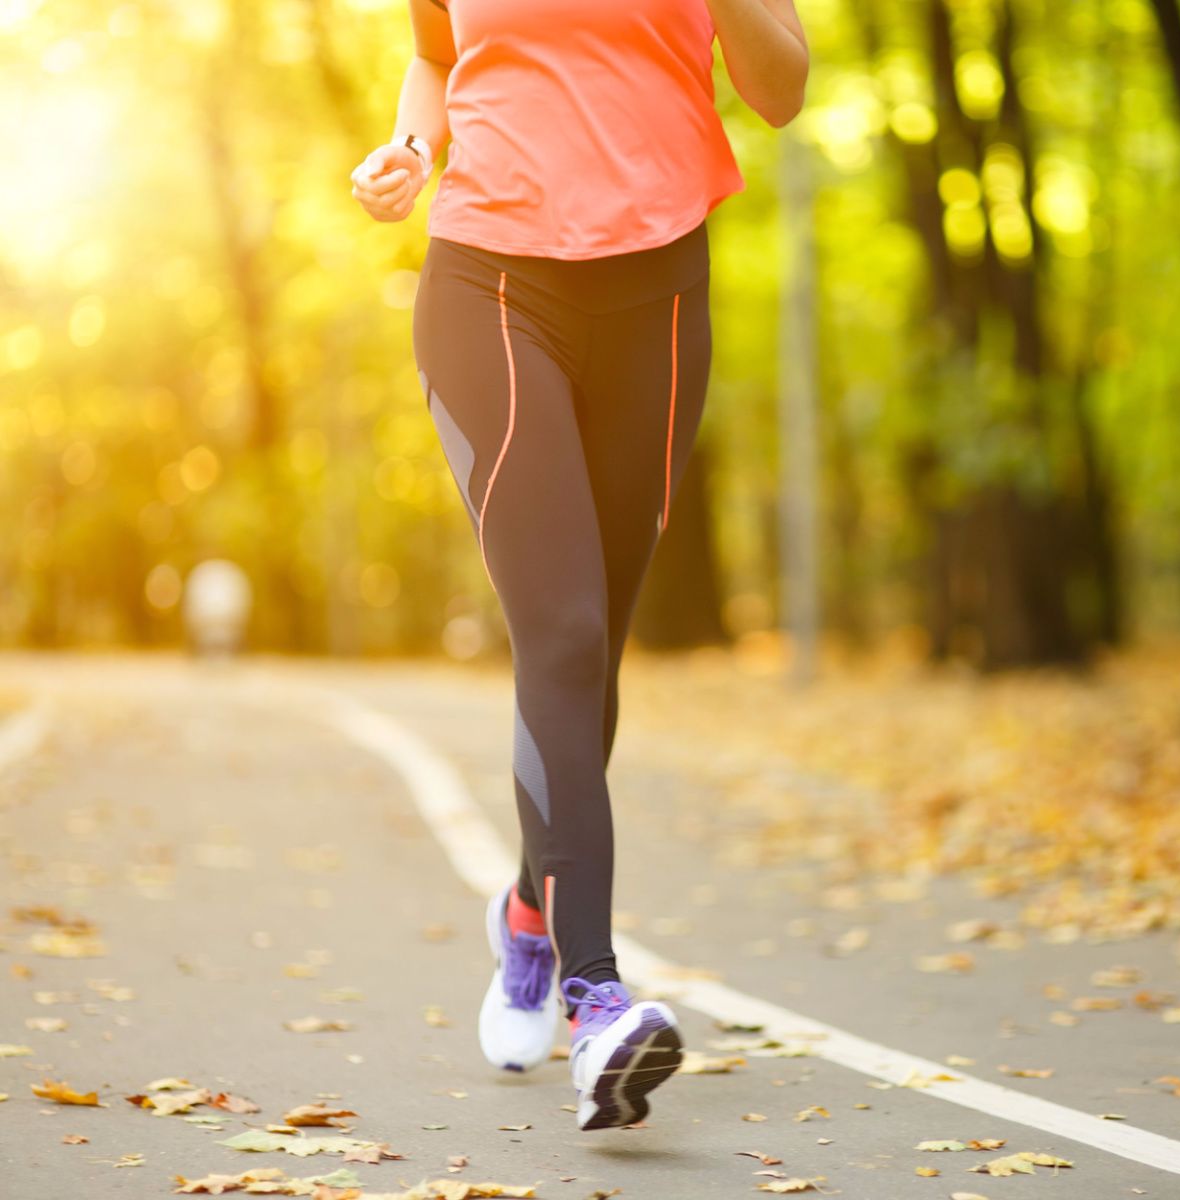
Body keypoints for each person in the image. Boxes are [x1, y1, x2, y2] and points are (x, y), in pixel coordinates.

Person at [351, 0, 809, 1132]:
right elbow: (433, 55)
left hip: (659, 291)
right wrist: (414, 146)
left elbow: (783, 90)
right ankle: (595, 996)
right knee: (557, 633)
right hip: (489, 280)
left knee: (594, 655)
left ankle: (526, 909)